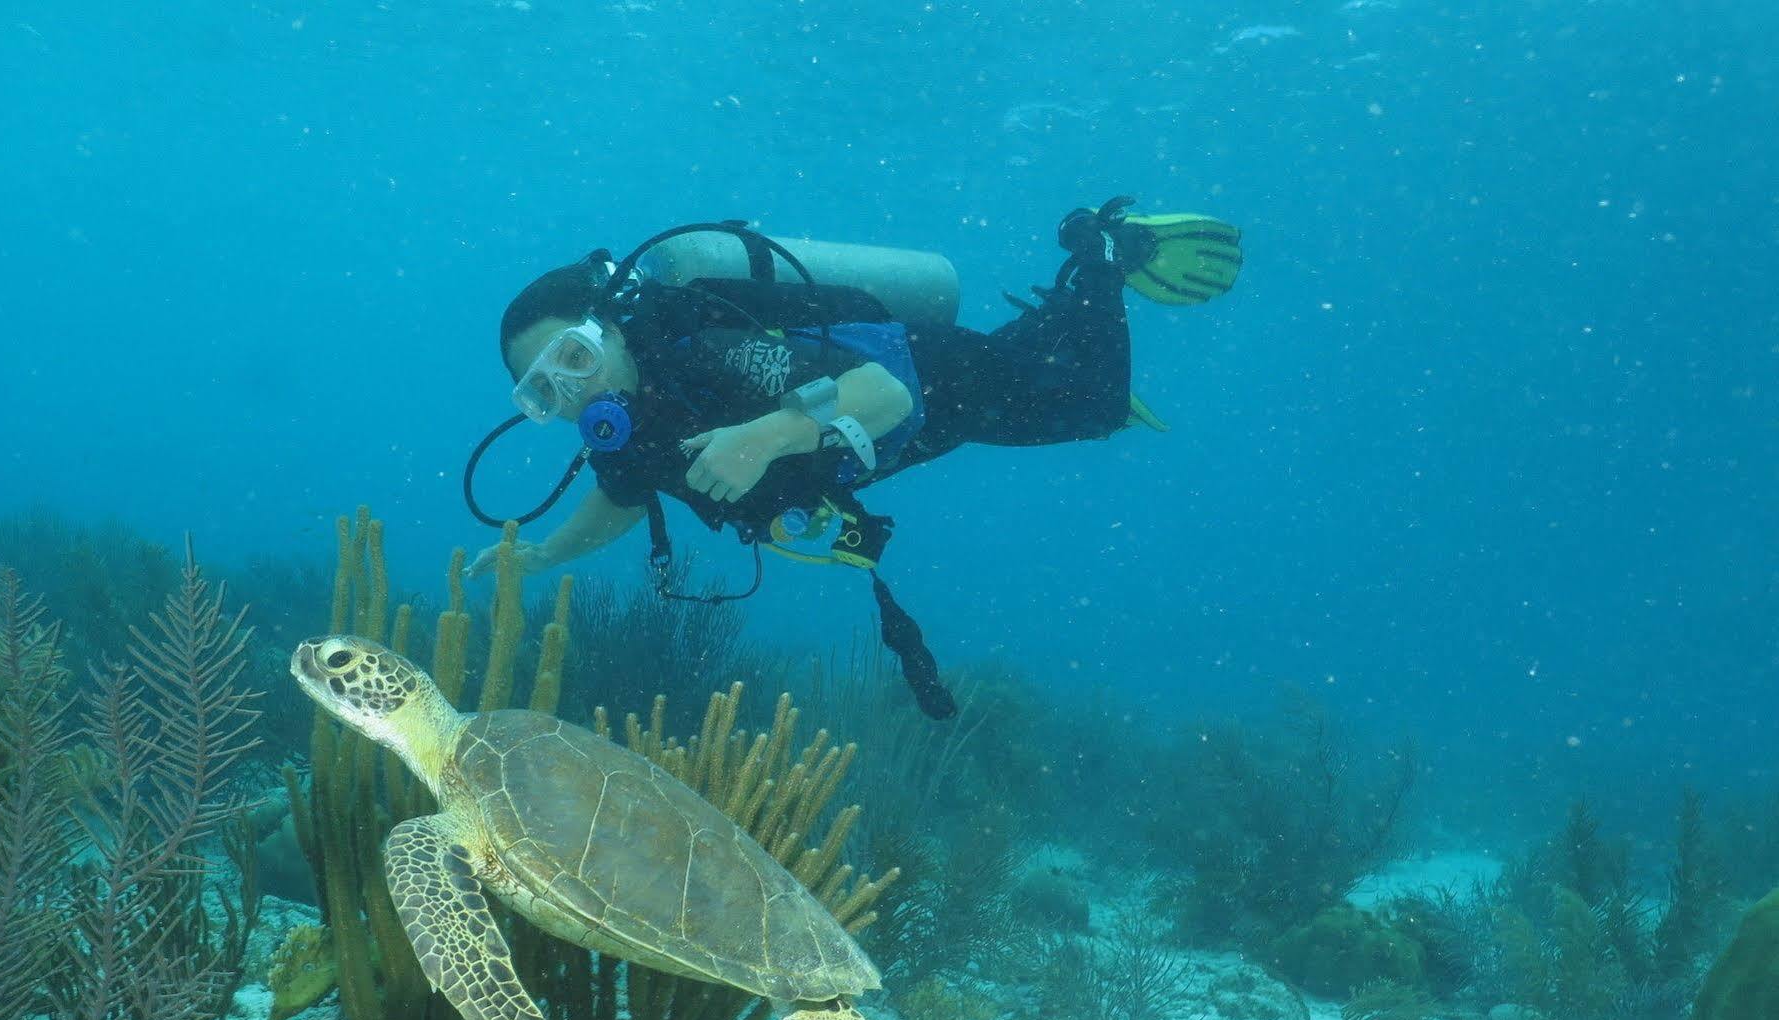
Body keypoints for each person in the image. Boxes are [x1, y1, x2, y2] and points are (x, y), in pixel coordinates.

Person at [468, 200, 1241, 716]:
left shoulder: (711, 354)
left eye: (573, 358)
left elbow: (881, 393)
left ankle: (1101, 252)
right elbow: (622, 498)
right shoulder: (625, 425)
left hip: (928, 379)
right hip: (890, 440)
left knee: (1090, 407)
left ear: (611, 333)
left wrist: (763, 434)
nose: (570, 393)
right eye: (542, 389)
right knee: (1031, 371)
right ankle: (1059, 310)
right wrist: (540, 555)